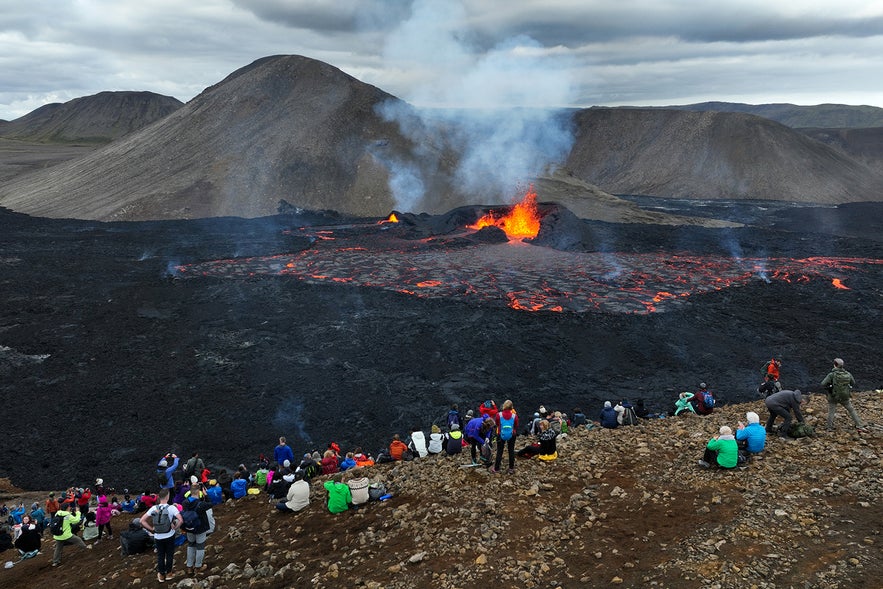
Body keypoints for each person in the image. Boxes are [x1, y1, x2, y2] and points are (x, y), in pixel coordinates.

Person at [140, 487, 183, 583]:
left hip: (158, 536)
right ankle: (169, 573)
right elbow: (181, 520)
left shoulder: (153, 508)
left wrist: (152, 529)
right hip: (169, 535)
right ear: (167, 497)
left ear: (159, 497)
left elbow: (142, 520)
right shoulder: (171, 508)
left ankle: (161, 575)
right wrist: (175, 528)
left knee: (160, 556)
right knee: (169, 555)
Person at [821, 358, 865, 431]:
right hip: (845, 396)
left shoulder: (831, 375)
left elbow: (823, 384)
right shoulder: (848, 374)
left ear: (835, 365)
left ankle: (829, 427)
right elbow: (853, 383)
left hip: (833, 396)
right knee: (851, 410)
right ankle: (859, 425)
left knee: (831, 411)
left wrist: (830, 387)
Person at [181, 492, 213, 576]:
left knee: (191, 545)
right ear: (198, 493)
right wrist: (206, 495)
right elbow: (210, 504)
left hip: (189, 528)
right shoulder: (201, 504)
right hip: (200, 528)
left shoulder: (184, 503)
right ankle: (198, 567)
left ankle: (189, 567)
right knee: (200, 547)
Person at [490, 399, 519, 474]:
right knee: (511, 450)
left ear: (504, 406)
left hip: (500, 434)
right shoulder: (514, 416)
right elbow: (516, 425)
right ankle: (511, 468)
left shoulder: (498, 415)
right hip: (512, 434)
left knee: (500, 451)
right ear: (511, 407)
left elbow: (497, 423)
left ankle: (496, 468)